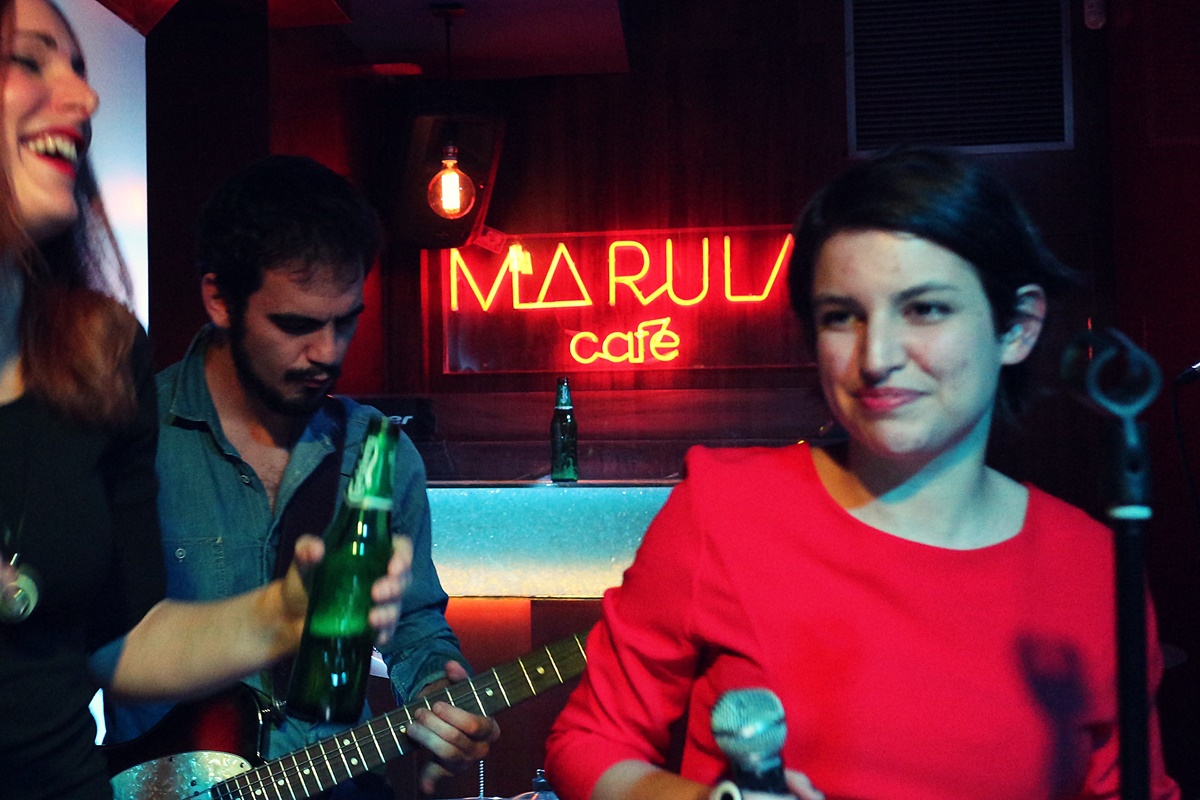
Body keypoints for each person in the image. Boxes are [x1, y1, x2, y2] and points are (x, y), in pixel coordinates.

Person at [544, 146, 1181, 800]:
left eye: (925, 309)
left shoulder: (1094, 565)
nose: (875, 358)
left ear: (1017, 327)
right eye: (841, 316)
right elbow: (588, 742)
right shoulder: (725, 509)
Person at [0, 3, 409, 800]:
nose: (83, 98)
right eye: (29, 59)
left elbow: (121, 641)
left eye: (79, 68)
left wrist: (287, 615)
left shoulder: (97, 352)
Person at [103, 153, 500, 798]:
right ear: (219, 299)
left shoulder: (378, 451)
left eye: (347, 321)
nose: (327, 351)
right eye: (296, 325)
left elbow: (414, 626)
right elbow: (80, 652)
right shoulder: (129, 439)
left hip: (339, 782)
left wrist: (438, 690)